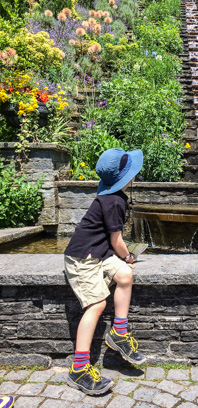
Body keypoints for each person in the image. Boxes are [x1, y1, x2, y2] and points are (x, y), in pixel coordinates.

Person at [64, 148, 146, 395]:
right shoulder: (114, 201)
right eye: (133, 173)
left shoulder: (113, 196)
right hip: (83, 259)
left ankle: (119, 333)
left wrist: (124, 263)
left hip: (100, 253)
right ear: (125, 178)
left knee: (125, 275)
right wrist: (129, 256)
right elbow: (116, 241)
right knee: (97, 304)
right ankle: (78, 369)